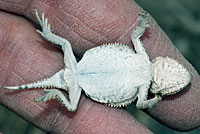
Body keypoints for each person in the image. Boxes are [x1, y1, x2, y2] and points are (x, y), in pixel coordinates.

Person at [0, 0, 199, 133]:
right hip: (79, 70)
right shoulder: (142, 72)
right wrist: (154, 99)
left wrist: (153, 99)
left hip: (80, 77)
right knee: (72, 104)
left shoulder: (142, 80)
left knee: (72, 104)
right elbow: (135, 35)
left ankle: (54, 89)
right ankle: (52, 82)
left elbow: (135, 36)